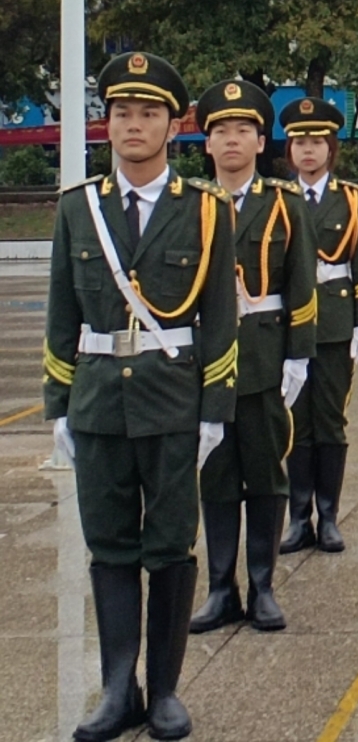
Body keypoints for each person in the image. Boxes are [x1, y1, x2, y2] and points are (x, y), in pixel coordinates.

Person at [43, 52, 237, 741]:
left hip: (172, 402)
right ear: (107, 123)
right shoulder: (78, 208)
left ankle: (165, 693)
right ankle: (118, 688)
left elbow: (220, 319)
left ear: (173, 126)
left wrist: (215, 410)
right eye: (122, 112)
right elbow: (61, 313)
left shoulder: (206, 211)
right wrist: (58, 406)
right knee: (110, 547)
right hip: (99, 403)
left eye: (148, 113)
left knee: (170, 547)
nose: (133, 124)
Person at [190, 80, 317, 634]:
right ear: (207, 142)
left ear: (261, 142)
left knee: (266, 475)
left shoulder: (284, 202)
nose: (232, 140)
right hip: (207, 362)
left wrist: (299, 357)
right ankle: (221, 589)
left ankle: (263, 586)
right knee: (216, 479)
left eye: (243, 130)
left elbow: (302, 283)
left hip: (265, 358)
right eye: (221, 131)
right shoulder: (191, 204)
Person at [277, 97, 358, 555]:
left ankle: (329, 516)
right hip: (289, 326)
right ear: (289, 149)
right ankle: (299, 518)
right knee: (295, 423)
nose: (308, 150)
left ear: (331, 148)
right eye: (299, 142)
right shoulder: (278, 199)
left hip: (335, 325)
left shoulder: (352, 201)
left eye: (316, 142)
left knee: (331, 421)